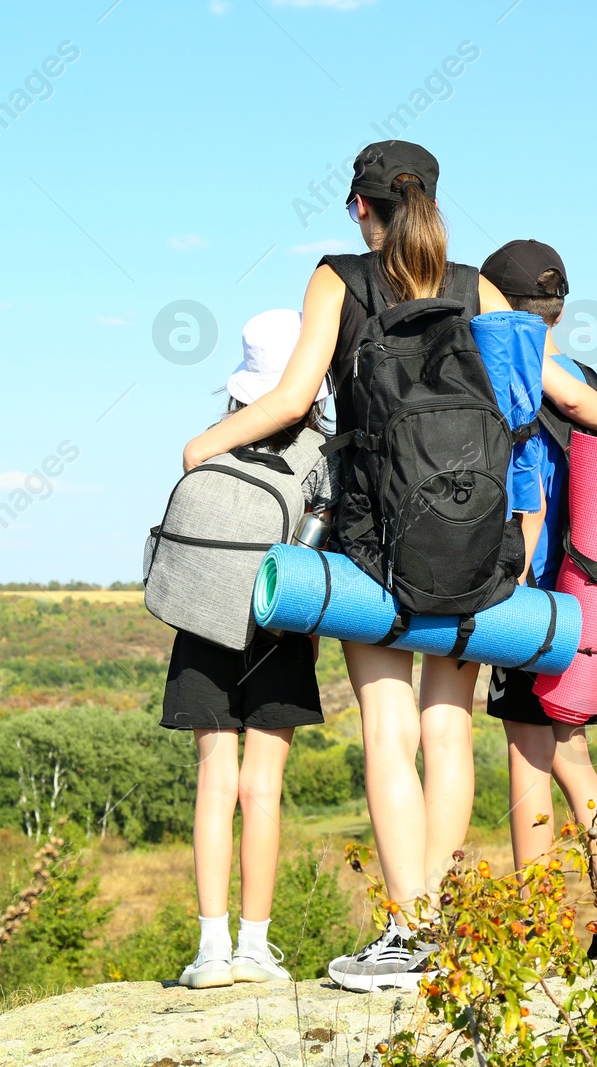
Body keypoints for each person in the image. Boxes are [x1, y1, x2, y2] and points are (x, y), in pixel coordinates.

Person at [183, 142, 597, 993]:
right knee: (447, 729)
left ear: (360, 206)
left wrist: (206, 445)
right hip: (478, 545)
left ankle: (406, 931)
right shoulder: (479, 289)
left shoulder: (339, 278)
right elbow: (541, 402)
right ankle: (440, 927)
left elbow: (289, 397)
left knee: (387, 728)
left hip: (377, 541)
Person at [164, 308, 339, 989]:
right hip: (281, 633)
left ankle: (209, 950)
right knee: (262, 788)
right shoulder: (325, 455)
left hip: (202, 624)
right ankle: (254, 948)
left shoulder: (208, 445)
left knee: (215, 783)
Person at [479, 239, 597, 958]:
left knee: (527, 761)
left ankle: (536, 932)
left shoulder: (514, 375)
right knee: (572, 754)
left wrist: (507, 591)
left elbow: (528, 491)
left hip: (535, 600)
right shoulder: (585, 380)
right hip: (592, 600)